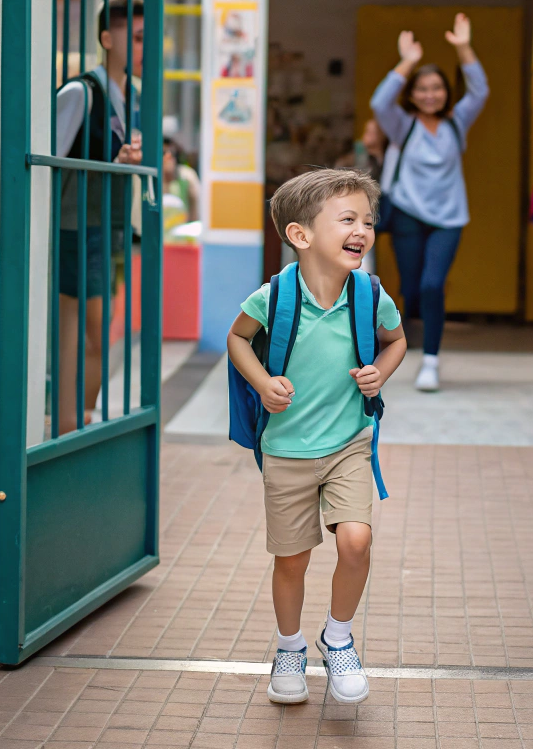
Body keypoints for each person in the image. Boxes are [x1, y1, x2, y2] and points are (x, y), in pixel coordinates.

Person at [227, 169, 407, 707]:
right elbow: (238, 339)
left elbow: (395, 341)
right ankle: (289, 648)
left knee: (356, 540)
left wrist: (382, 371)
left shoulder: (370, 295)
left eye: (368, 221)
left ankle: (338, 636)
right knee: (293, 559)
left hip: (349, 442)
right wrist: (262, 384)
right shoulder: (273, 296)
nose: (362, 230)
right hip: (285, 449)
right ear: (300, 235)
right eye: (347, 219)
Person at [369, 13, 489, 392]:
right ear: (413, 93)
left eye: (436, 87)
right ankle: (402, 347)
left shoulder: (458, 122)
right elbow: (379, 100)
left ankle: (431, 361)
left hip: (449, 218)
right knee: (413, 289)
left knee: (433, 284)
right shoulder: (402, 125)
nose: (430, 94)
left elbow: (481, 91)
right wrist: (407, 61)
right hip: (406, 214)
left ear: (445, 92)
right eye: (422, 88)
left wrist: (463, 47)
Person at [55, 0, 143, 433]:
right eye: (139, 38)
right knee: (87, 329)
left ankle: (77, 422)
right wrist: (115, 164)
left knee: (100, 331)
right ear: (107, 39)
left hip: (109, 225)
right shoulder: (80, 92)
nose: (147, 48)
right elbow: (50, 160)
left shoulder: (130, 96)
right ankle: (67, 423)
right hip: (76, 224)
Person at [162, 137, 200, 226]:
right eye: (163, 153)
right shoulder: (149, 178)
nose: (168, 156)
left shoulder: (187, 176)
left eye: (173, 154)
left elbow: (196, 212)